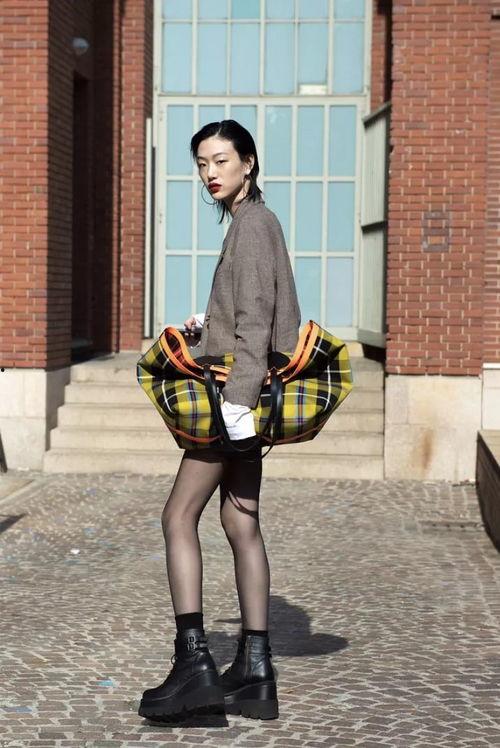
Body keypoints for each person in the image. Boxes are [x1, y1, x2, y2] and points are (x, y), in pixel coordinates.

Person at [138, 120, 301, 722]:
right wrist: (209, 328)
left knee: (178, 516)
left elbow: (259, 317)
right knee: (240, 521)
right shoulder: (256, 220)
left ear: (248, 163)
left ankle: (193, 665)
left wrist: (237, 401)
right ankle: (255, 670)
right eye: (202, 163)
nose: (210, 172)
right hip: (247, 389)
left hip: (233, 398)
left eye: (221, 160)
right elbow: (252, 312)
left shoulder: (252, 225)